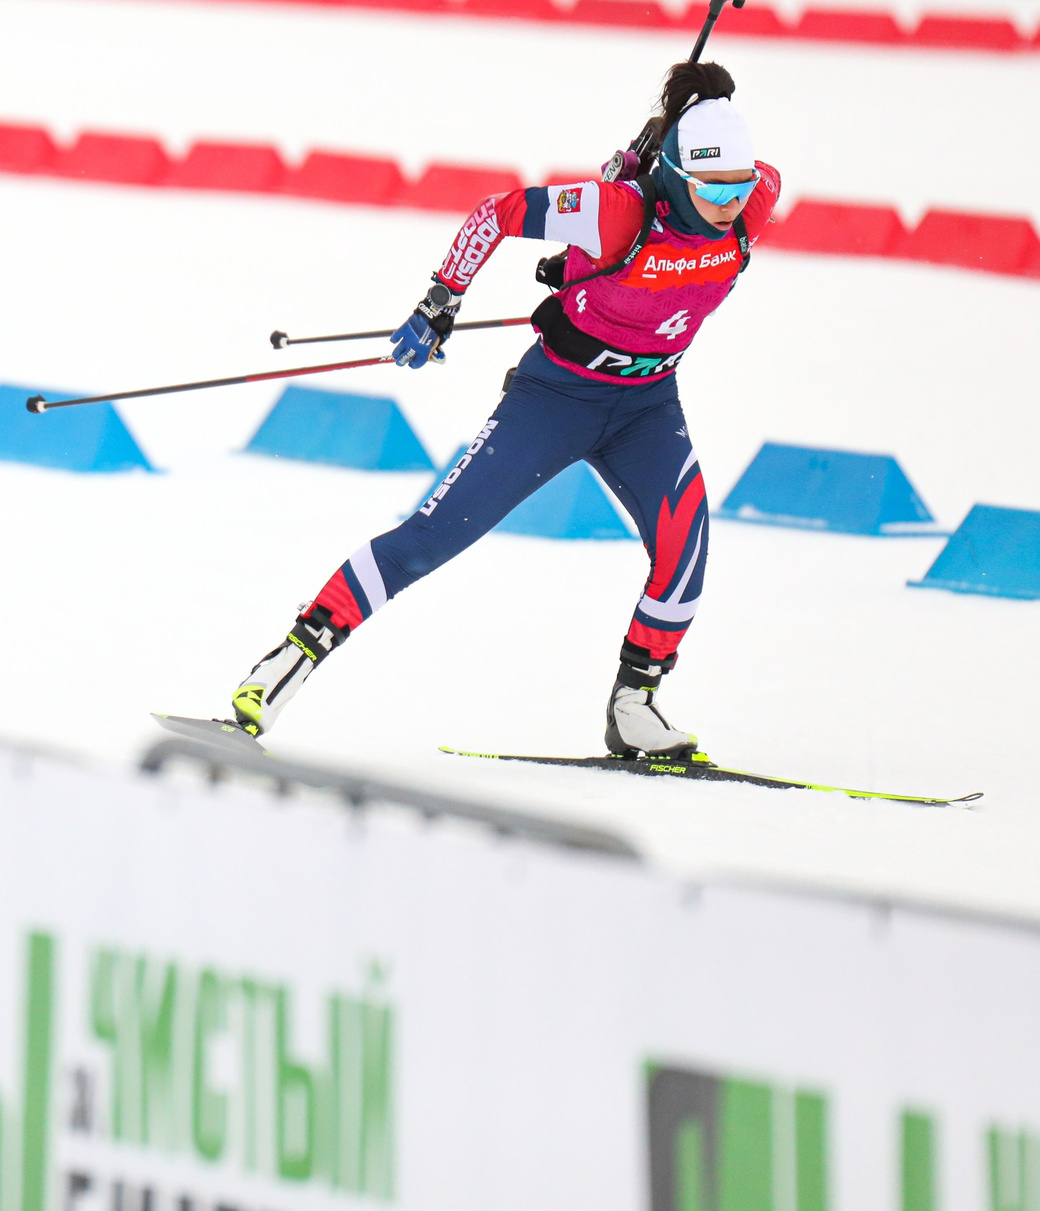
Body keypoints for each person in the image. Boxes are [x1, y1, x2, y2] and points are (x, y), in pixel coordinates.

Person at [220, 61, 780, 759]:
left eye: (741, 185)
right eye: (711, 186)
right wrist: (440, 300)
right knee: (430, 538)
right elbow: (496, 211)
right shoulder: (614, 211)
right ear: (676, 177)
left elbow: (746, 172)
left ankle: (635, 702)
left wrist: (654, 154)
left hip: (646, 406)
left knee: (686, 547)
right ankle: (287, 662)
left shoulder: (754, 202)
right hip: (557, 397)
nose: (731, 202)